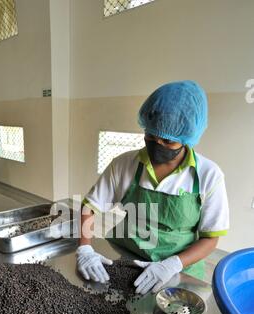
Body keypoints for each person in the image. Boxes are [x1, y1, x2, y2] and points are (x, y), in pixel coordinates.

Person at [76, 81, 229, 295]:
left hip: (178, 268)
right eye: (150, 136)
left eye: (167, 141)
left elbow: (210, 238)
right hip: (124, 256)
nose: (158, 145)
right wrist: (85, 247)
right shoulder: (124, 164)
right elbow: (88, 208)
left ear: (187, 139)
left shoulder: (208, 175)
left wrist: (173, 264)